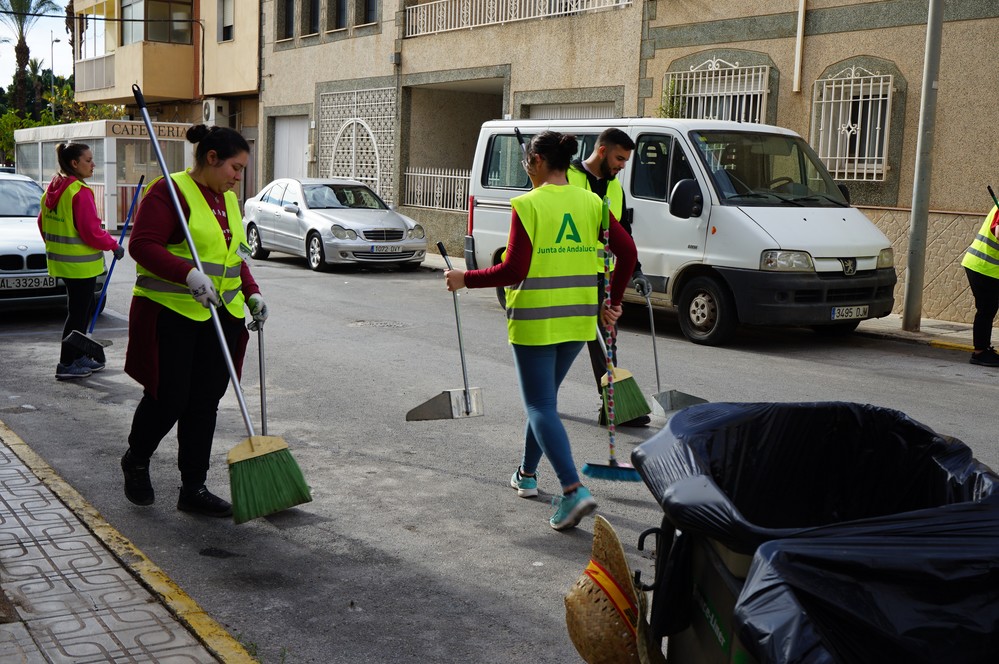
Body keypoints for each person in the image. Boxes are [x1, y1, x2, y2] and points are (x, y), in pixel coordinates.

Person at [444, 131, 637, 531]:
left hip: (536, 320)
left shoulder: (527, 205)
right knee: (545, 402)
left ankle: (573, 491)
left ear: (535, 162)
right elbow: (628, 252)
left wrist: (465, 278)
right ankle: (527, 475)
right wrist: (612, 303)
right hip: (579, 321)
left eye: (525, 163)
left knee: (540, 407)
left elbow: (514, 270)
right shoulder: (594, 202)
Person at [120, 124, 269, 517]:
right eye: (235, 168)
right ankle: (136, 459)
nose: (239, 177)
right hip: (174, 314)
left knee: (204, 402)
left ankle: (194, 488)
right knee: (169, 398)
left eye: (242, 170)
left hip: (222, 317)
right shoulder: (169, 191)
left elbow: (233, 256)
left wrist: (252, 292)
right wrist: (187, 273)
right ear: (211, 158)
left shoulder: (231, 201)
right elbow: (142, 245)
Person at [567, 128, 651, 427]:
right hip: (568, 274)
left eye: (625, 161)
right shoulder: (567, 176)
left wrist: (636, 270)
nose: (621, 166)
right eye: (618, 158)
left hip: (602, 276)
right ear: (602, 151)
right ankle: (542, 400)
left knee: (605, 339)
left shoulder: (615, 188)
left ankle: (612, 406)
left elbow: (624, 233)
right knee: (562, 341)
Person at [38, 142, 125, 380]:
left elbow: (42, 225)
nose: (93, 164)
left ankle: (78, 356)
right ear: (74, 163)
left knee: (79, 311)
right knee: (77, 315)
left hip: (64, 264)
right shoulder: (79, 192)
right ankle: (66, 364)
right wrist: (114, 245)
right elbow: (92, 231)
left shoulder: (53, 190)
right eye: (88, 160)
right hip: (81, 266)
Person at [961, 201, 999, 367]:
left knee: (988, 309)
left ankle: (983, 350)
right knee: (986, 309)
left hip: (985, 267)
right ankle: (980, 352)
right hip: (983, 267)